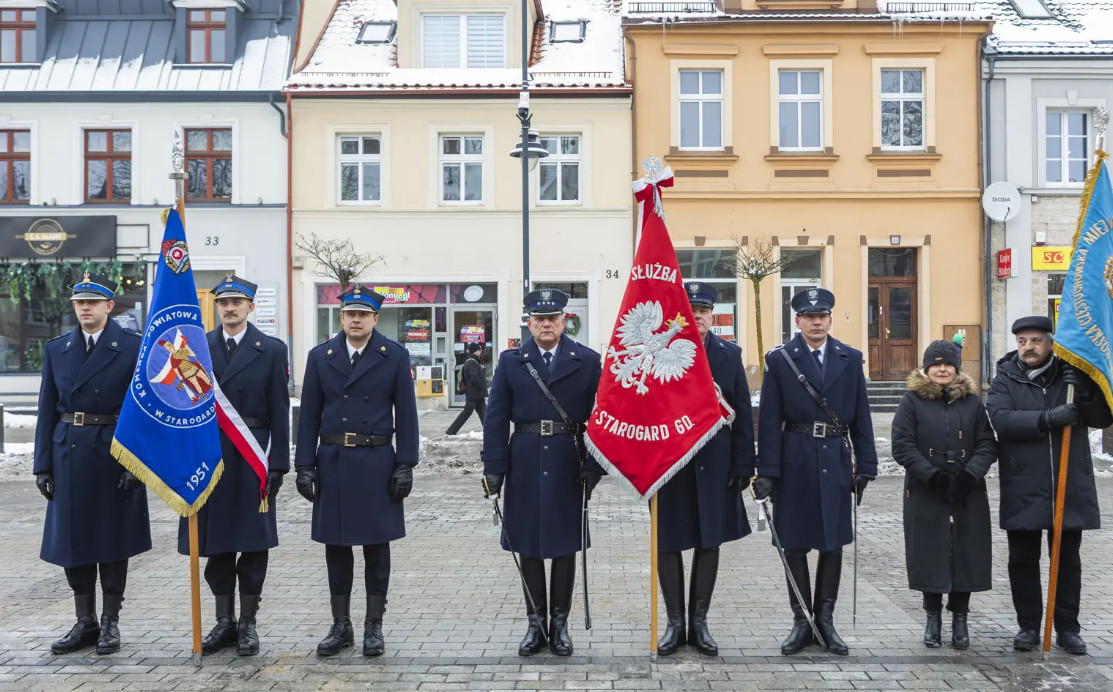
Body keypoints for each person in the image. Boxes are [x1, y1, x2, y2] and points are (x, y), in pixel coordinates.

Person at [294, 286, 419, 657]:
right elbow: (309, 415)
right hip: (333, 461)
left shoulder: (394, 355)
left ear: (375, 318)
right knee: (336, 546)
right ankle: (341, 625)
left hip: (376, 462)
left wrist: (405, 464)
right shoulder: (321, 357)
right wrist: (304, 465)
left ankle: (373, 626)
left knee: (377, 548)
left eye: (363, 314)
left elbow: (407, 414)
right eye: (350, 314)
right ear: (342, 317)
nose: (356, 320)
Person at [755, 288, 877, 656]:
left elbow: (862, 417)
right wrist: (767, 471)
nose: (816, 322)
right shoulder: (780, 360)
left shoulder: (850, 358)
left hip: (835, 460)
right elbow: (769, 420)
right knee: (793, 544)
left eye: (822, 316)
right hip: (794, 459)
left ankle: (825, 620)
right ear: (798, 321)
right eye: (809, 317)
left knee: (832, 543)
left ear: (830, 319)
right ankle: (801, 622)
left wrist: (866, 466)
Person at [481, 288, 604, 657]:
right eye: (539, 319)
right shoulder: (511, 362)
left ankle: (560, 625)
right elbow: (495, 418)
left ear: (564, 321)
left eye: (553, 318)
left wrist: (595, 466)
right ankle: (535, 624)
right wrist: (494, 468)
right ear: (529, 323)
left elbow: (601, 418)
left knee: (565, 545)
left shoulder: (587, 361)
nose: (546, 324)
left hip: (570, 461)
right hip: (524, 461)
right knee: (528, 545)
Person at [34, 273, 149, 655]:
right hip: (68, 453)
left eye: (93, 302)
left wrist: (137, 465)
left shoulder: (132, 346)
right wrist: (42, 465)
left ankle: (111, 621)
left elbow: (143, 411)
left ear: (109, 306)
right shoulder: (58, 348)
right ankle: (85, 621)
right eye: (79, 302)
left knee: (113, 540)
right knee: (74, 540)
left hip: (114, 452)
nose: (85, 308)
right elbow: (47, 410)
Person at [176, 275, 289, 656]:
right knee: (216, 543)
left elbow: (280, 411)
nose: (229, 308)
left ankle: (248, 624)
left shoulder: (270, 349)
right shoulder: (196, 349)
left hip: (252, 456)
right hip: (209, 458)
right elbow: (183, 407)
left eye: (237, 302)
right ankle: (224, 621)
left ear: (250, 307)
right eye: (223, 303)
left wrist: (278, 464)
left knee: (253, 545)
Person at [987, 315, 1113, 655]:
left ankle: (1068, 628)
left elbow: (1103, 418)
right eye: (1022, 341)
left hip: (1068, 483)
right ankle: (1029, 626)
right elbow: (1000, 419)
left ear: (1050, 343)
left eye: (1036, 341)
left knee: (1067, 561)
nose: (1028, 347)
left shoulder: (1072, 377)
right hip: (1023, 483)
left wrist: (1085, 391)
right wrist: (1046, 419)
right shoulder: (1005, 378)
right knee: (1022, 561)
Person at [654, 282, 755, 656]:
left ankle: (699, 623)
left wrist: (743, 464)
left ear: (713, 315)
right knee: (667, 541)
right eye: (690, 309)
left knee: (709, 540)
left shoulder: (729, 355)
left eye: (703, 310)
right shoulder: (660, 352)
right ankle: (675, 623)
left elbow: (741, 413)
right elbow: (646, 410)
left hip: (714, 462)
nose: (697, 315)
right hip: (670, 463)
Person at [891, 340, 996, 650]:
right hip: (926, 490)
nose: (942, 369)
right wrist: (931, 475)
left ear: (956, 368)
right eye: (936, 364)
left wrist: (969, 474)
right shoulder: (911, 402)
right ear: (927, 368)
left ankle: (960, 617)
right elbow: (902, 445)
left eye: (948, 364)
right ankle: (932, 617)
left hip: (967, 490)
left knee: (966, 553)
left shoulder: (973, 403)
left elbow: (987, 444)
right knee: (930, 552)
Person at [446, 342, 488, 435]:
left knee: (484, 414)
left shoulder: (473, 361)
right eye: (479, 350)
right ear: (475, 351)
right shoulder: (471, 362)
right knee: (467, 412)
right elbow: (474, 378)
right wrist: (482, 387)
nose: (481, 351)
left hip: (477, 394)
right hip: (474, 393)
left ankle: (489, 430)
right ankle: (451, 431)